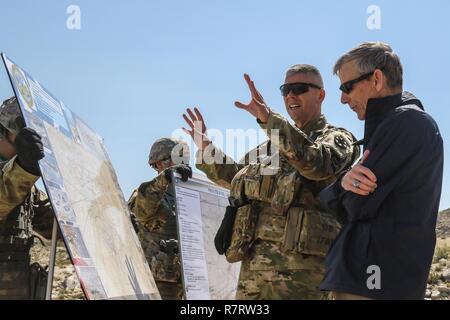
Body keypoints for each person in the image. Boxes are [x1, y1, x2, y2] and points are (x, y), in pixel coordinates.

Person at [182, 64, 360, 299]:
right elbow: (237, 177)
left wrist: (268, 119)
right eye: (285, 90)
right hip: (254, 270)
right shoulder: (270, 145)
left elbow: (316, 164)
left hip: (301, 274)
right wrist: (206, 147)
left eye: (299, 88)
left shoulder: (337, 138)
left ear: (320, 95)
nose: (291, 96)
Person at [319, 42, 444, 300]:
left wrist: (340, 190)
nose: (342, 98)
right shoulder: (394, 124)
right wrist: (344, 184)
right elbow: (349, 200)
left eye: (346, 87)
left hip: (376, 286)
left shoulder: (406, 123)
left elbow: (355, 205)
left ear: (376, 79)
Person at [0, 97, 54, 300]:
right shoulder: (21, 173)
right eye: (23, 132)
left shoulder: (26, 183)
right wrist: (25, 167)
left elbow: (55, 226)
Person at [128, 137, 192, 300]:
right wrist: (165, 178)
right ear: (159, 164)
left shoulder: (189, 195)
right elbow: (143, 211)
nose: (182, 163)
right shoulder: (148, 193)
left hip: (187, 280)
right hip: (158, 281)